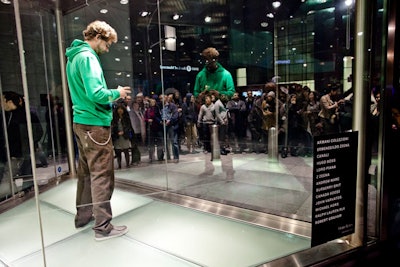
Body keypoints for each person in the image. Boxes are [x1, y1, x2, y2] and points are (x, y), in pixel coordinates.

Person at [65, 20, 131, 241]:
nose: (107, 48)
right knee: (102, 176)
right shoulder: (88, 58)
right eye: (108, 43)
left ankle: (83, 217)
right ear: (99, 37)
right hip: (95, 125)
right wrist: (117, 93)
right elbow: (96, 93)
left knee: (85, 174)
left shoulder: (73, 58)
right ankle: (103, 227)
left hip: (81, 123)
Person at [111, 104, 132, 169]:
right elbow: (113, 127)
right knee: (118, 151)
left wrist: (124, 132)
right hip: (117, 136)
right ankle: (119, 164)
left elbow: (129, 126)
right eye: (119, 109)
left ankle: (127, 164)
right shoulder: (114, 118)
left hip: (124, 136)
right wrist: (117, 133)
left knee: (126, 150)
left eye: (121, 109)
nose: (120, 111)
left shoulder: (126, 118)